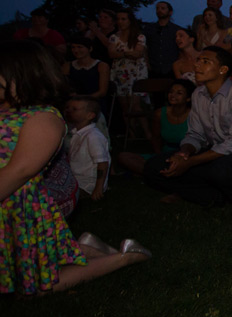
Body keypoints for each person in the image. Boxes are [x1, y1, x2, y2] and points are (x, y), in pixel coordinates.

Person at [1, 40, 150, 296]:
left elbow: (21, 170)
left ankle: (126, 257)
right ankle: (84, 248)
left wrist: (98, 186)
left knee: (39, 285)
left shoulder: (42, 119)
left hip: (24, 205)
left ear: (22, 76)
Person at [142, 47, 232, 214]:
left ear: (222, 70)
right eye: (198, 61)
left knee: (220, 170)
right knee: (153, 167)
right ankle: (211, 196)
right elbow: (195, 135)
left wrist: (191, 162)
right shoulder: (198, 94)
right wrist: (183, 154)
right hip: (218, 151)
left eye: (205, 62)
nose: (197, 66)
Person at [115, 79, 195, 176]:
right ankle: (159, 173)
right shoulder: (160, 113)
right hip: (165, 154)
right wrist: (158, 156)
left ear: (188, 98)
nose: (173, 95)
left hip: (185, 155)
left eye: (179, 93)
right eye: (171, 92)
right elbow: (155, 138)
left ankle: (157, 174)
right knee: (124, 157)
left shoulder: (194, 115)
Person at [64, 96, 110, 202]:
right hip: (77, 181)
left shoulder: (93, 136)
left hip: (87, 186)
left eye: (74, 109)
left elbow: (102, 162)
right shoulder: (77, 133)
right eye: (67, 108)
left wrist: (98, 189)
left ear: (90, 115)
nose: (68, 111)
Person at [142, 1, 182, 79]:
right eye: (157, 8)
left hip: (170, 69)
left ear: (170, 12)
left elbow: (181, 49)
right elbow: (145, 47)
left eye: (163, 8)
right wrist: (147, 64)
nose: (159, 10)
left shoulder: (176, 30)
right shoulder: (149, 29)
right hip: (153, 68)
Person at [62, 36, 110, 100]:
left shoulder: (102, 66)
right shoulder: (67, 66)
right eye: (73, 47)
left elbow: (102, 92)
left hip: (94, 102)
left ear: (90, 49)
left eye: (79, 47)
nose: (76, 50)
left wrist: (83, 99)